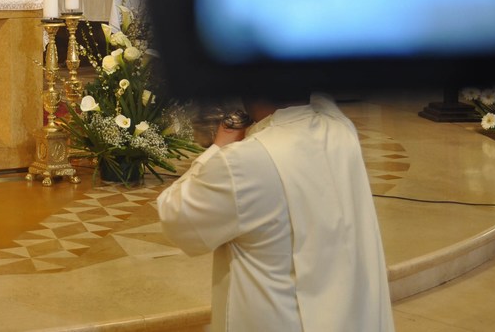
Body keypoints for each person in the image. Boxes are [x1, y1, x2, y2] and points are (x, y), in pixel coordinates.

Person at [156, 94, 394, 332]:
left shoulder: (242, 161)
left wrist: (218, 147)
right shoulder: (339, 127)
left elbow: (177, 218)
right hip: (347, 315)